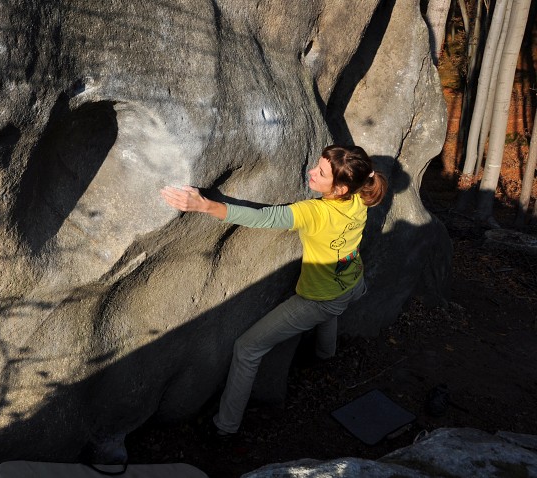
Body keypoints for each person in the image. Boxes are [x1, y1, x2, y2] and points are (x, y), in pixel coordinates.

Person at [160, 145, 388, 436]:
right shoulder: (359, 197)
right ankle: (325, 355)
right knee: (334, 309)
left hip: (320, 300)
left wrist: (204, 205)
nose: (311, 173)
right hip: (354, 282)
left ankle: (225, 427)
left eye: (320, 173)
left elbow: (264, 217)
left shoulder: (314, 212)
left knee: (247, 349)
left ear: (340, 188)